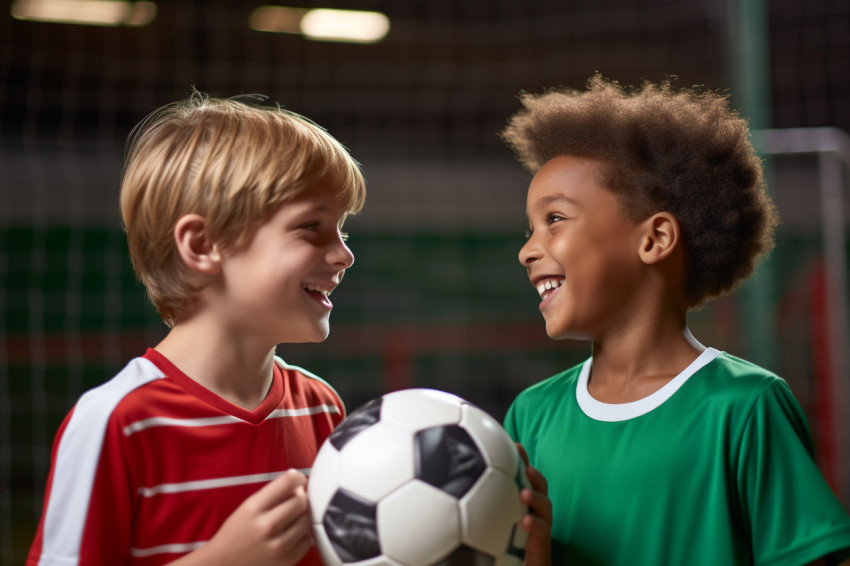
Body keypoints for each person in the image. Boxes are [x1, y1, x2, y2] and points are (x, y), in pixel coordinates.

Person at [500, 74, 850, 565]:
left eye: (554, 219)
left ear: (655, 239)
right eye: (530, 229)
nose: (527, 251)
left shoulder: (744, 406)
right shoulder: (531, 415)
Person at [27, 91, 366, 566]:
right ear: (203, 244)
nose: (344, 254)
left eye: (343, 230)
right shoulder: (119, 421)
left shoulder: (321, 408)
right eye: (312, 227)